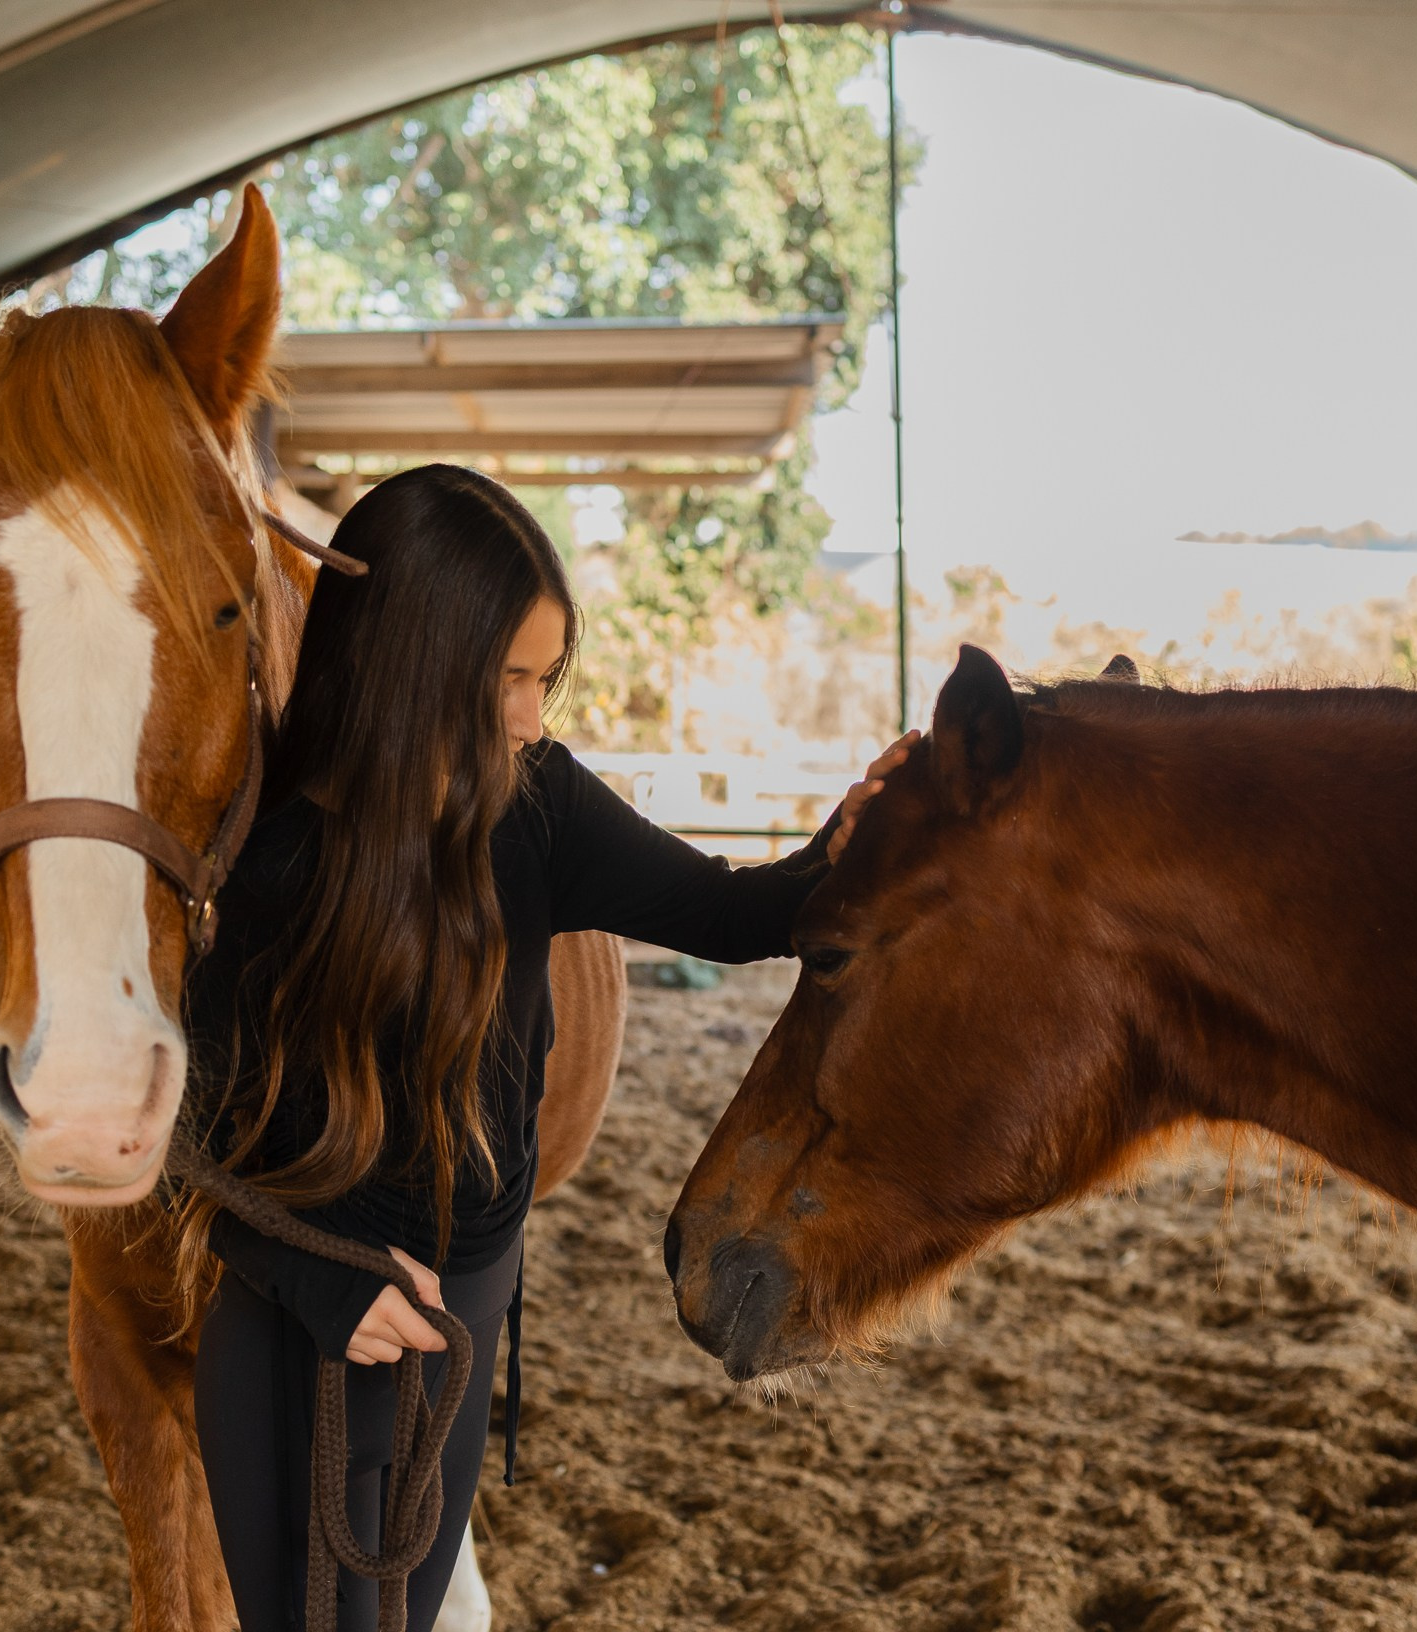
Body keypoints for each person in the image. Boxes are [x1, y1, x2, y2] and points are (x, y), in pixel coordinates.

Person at [185, 462, 912, 1632]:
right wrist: (321, 1280)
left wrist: (856, 836)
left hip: (463, 1324)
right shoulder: (272, 856)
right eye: (505, 680)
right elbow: (193, 1133)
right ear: (408, 658)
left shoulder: (542, 807)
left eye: (543, 678)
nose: (530, 717)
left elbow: (734, 917)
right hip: (308, 1345)